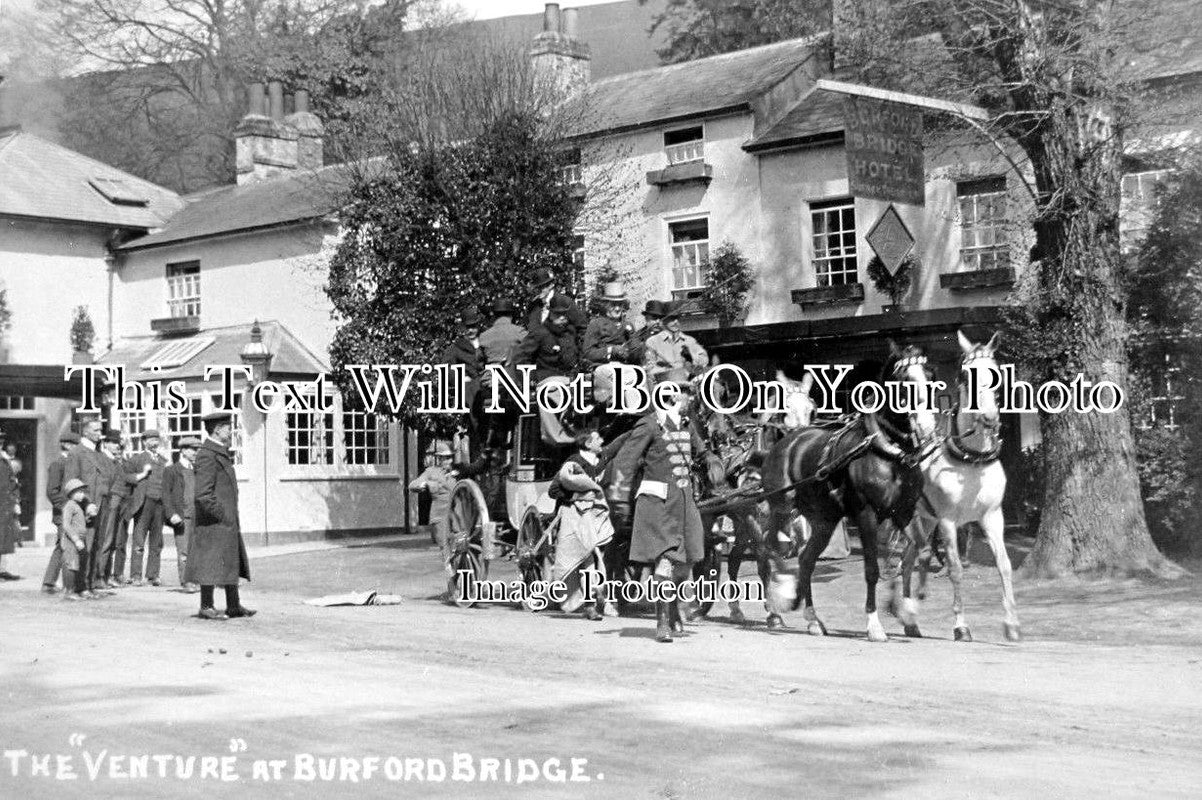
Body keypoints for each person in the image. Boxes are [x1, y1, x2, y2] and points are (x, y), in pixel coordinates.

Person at [608, 375, 712, 643]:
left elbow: (701, 453)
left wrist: (712, 460)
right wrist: (619, 497)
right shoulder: (650, 425)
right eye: (685, 393)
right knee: (665, 563)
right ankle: (662, 622)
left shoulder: (687, 426)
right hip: (658, 504)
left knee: (685, 564)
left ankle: (674, 610)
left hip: (686, 504)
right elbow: (625, 461)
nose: (689, 398)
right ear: (671, 397)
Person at [186, 411, 253, 620]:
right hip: (214, 523)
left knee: (228, 560)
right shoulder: (207, 454)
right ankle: (206, 606)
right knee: (211, 563)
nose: (230, 431)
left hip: (224, 522)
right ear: (217, 430)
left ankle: (233, 605)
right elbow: (203, 495)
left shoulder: (218, 452)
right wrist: (223, 515)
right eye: (226, 427)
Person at [407, 441, 459, 594]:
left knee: (460, 550)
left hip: (455, 517)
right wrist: (427, 484)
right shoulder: (431, 472)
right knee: (446, 552)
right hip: (439, 517)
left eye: (450, 458)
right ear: (439, 459)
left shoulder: (456, 473)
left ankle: (463, 586)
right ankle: (452, 590)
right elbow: (413, 485)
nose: (448, 461)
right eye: (445, 458)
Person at [64, 418, 106, 594]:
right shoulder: (77, 453)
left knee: (95, 547)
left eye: (100, 430)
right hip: (83, 509)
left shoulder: (98, 453)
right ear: (86, 432)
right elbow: (71, 483)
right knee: (84, 548)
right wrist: (86, 503)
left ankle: (89, 584)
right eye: (95, 430)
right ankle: (79, 587)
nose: (99, 433)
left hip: (100, 506)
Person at [125, 429, 168, 586]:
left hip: (160, 504)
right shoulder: (137, 459)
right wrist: (142, 474)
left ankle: (153, 575)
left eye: (156, 439)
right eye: (151, 439)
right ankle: (136, 575)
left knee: (157, 542)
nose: (154, 442)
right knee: (139, 540)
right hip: (143, 503)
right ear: (144, 442)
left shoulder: (163, 461)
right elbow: (126, 477)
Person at [41, 431, 79, 594]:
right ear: (67, 445)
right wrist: (66, 508)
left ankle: (49, 583)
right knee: (65, 546)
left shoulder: (71, 463)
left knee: (61, 546)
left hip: (71, 513)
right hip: (63, 513)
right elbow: (52, 491)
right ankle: (65, 584)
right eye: (75, 445)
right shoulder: (58, 463)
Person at [162, 437, 200, 593]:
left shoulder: (197, 469)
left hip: (197, 515)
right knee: (183, 550)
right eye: (192, 449)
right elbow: (165, 494)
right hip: (182, 516)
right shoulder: (171, 470)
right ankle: (186, 581)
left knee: (196, 549)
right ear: (183, 450)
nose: (195, 452)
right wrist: (171, 514)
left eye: (197, 449)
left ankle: (196, 579)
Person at [644, 301, 709, 382]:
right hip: (665, 383)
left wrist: (693, 361)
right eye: (671, 318)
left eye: (677, 318)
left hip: (688, 381)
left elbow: (703, 359)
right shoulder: (651, 342)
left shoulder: (688, 340)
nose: (675, 322)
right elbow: (650, 368)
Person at [442, 307, 485, 409]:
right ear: (463, 328)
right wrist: (460, 378)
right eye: (468, 327)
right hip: (469, 387)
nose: (470, 330)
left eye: (473, 327)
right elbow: (446, 367)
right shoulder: (456, 347)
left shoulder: (485, 342)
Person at [527, 267, 587, 334]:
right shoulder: (533, 306)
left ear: (551, 285)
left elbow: (582, 328)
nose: (538, 291)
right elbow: (530, 330)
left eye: (542, 287)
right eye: (536, 288)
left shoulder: (565, 303)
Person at [59, 479, 91, 601]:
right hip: (71, 541)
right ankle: (69, 591)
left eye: (83, 491)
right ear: (71, 493)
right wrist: (76, 539)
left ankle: (79, 589)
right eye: (79, 492)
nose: (82, 494)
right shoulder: (69, 506)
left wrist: (88, 517)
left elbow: (79, 522)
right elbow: (66, 525)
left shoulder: (78, 506)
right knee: (71, 565)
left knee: (80, 565)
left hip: (80, 540)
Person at [478, 299, 527, 367]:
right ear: (511, 315)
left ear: (494, 316)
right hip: (514, 374)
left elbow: (478, 363)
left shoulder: (483, 336)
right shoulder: (521, 332)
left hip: (491, 375)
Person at [0, 429, 18, 581]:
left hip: (5, 504)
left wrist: (15, 501)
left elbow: (12, 481)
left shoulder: (4, 460)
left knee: (4, 538)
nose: (0, 444)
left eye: (1, 441)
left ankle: (2, 570)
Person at [628, 299, 666, 366]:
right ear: (646, 318)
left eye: (661, 318)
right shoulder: (637, 336)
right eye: (654, 318)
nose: (657, 321)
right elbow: (633, 357)